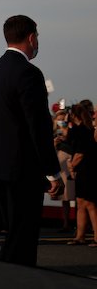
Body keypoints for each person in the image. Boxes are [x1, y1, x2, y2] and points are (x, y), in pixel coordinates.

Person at [0, 15, 62, 266]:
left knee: (11, 235)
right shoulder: (28, 73)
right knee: (23, 238)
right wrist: (52, 172)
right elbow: (38, 126)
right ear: (31, 37)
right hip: (21, 169)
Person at [67, 101, 97, 246]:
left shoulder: (82, 130)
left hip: (86, 169)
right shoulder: (85, 129)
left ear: (74, 115)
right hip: (84, 169)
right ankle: (80, 236)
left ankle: (95, 237)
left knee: (90, 203)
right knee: (80, 203)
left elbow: (80, 153)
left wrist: (72, 166)